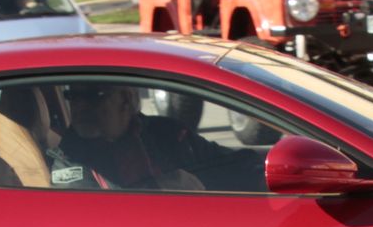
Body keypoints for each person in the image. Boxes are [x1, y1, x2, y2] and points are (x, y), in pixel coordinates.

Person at [60, 81, 260, 192]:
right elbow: (88, 213)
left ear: (126, 99)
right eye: (73, 96)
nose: (80, 106)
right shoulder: (66, 156)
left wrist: (200, 183)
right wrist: (158, 188)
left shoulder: (168, 134)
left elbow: (236, 167)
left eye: (94, 96)